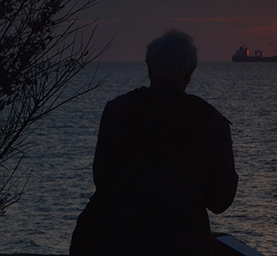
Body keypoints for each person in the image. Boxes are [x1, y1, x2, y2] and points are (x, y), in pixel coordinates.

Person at [72, 29, 238, 256]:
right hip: (185, 243)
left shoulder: (117, 111)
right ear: (190, 71)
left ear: (149, 67)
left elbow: (102, 178)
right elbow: (220, 200)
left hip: (121, 240)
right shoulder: (211, 121)